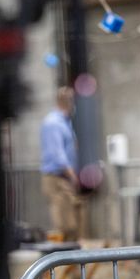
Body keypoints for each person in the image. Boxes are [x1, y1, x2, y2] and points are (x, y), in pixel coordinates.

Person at [40, 86, 83, 241]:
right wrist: (72, 174)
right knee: (65, 223)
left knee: (74, 222)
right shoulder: (53, 123)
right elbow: (57, 154)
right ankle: (62, 261)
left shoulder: (65, 122)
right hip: (57, 178)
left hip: (65, 177)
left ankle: (73, 261)